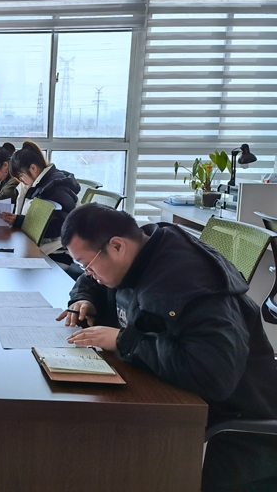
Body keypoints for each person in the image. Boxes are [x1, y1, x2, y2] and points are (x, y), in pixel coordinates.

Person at [58, 203, 277, 491]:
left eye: (88, 264)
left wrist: (122, 340)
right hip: (169, 399)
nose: (88, 272)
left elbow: (212, 375)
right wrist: (84, 298)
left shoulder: (191, 284)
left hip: (231, 433)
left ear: (117, 246)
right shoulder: (140, 251)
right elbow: (93, 281)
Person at [0, 140, 80, 256]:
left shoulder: (55, 188)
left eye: (21, 176)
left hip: (55, 253)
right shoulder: (40, 185)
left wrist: (19, 221)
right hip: (38, 247)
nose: (21, 181)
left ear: (33, 168)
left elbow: (57, 228)